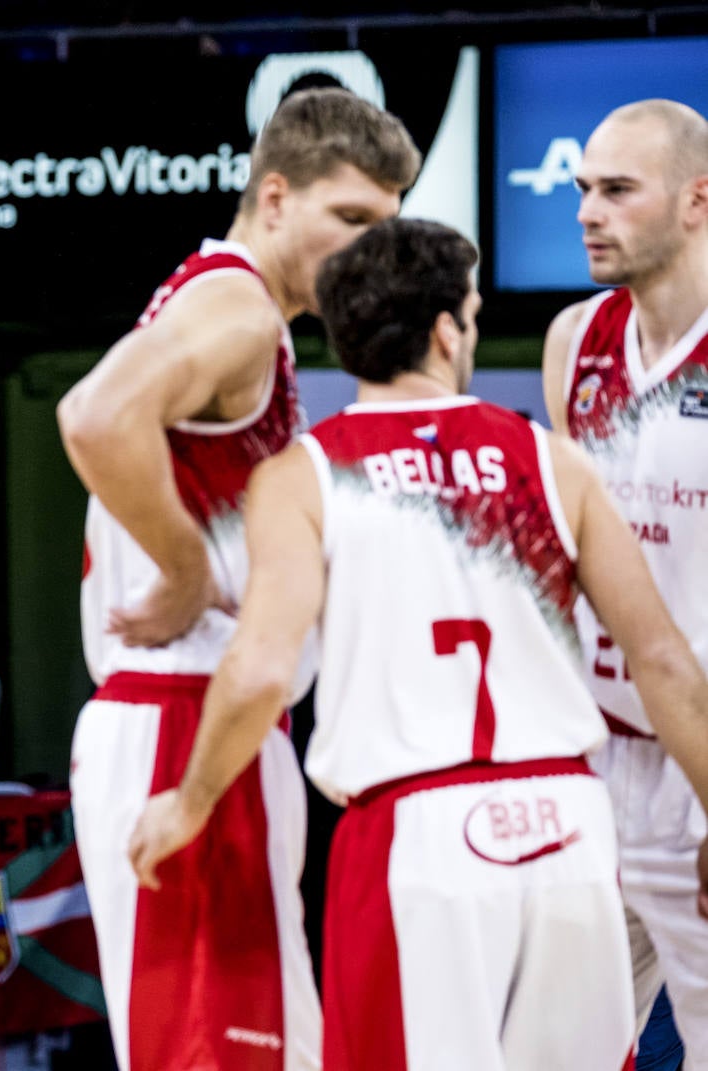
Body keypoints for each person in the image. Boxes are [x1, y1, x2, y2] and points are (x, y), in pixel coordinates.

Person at [128, 217, 708, 1069]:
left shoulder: (305, 473)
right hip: (570, 830)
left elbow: (257, 672)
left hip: (417, 836)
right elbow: (664, 665)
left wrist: (187, 802)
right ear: (446, 331)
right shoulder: (553, 462)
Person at [55, 87, 420, 1071]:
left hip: (200, 721)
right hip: (186, 720)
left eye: (384, 227)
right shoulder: (239, 306)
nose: (367, 251)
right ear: (273, 196)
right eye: (350, 219)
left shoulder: (244, 309)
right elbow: (91, 417)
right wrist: (181, 566)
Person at [541, 98, 708, 1064]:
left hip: (701, 757)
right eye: (580, 190)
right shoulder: (576, 338)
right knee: (562, 1050)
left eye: (615, 191)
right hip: (595, 759)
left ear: (697, 201)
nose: (586, 212)